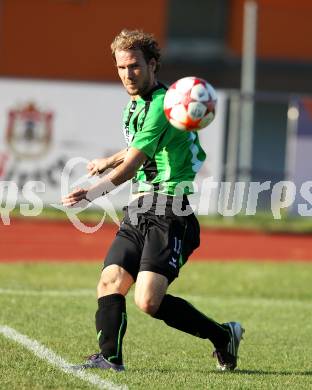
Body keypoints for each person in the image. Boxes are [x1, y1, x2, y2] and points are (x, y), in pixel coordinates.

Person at [62, 29, 244, 372]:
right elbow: (139, 148)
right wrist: (108, 160)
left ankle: (222, 336)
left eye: (134, 66)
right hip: (140, 209)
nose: (127, 75)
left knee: (147, 300)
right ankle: (110, 357)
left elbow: (132, 166)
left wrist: (92, 192)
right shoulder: (136, 104)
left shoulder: (163, 103)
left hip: (170, 210)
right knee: (110, 280)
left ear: (153, 65)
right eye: (121, 68)